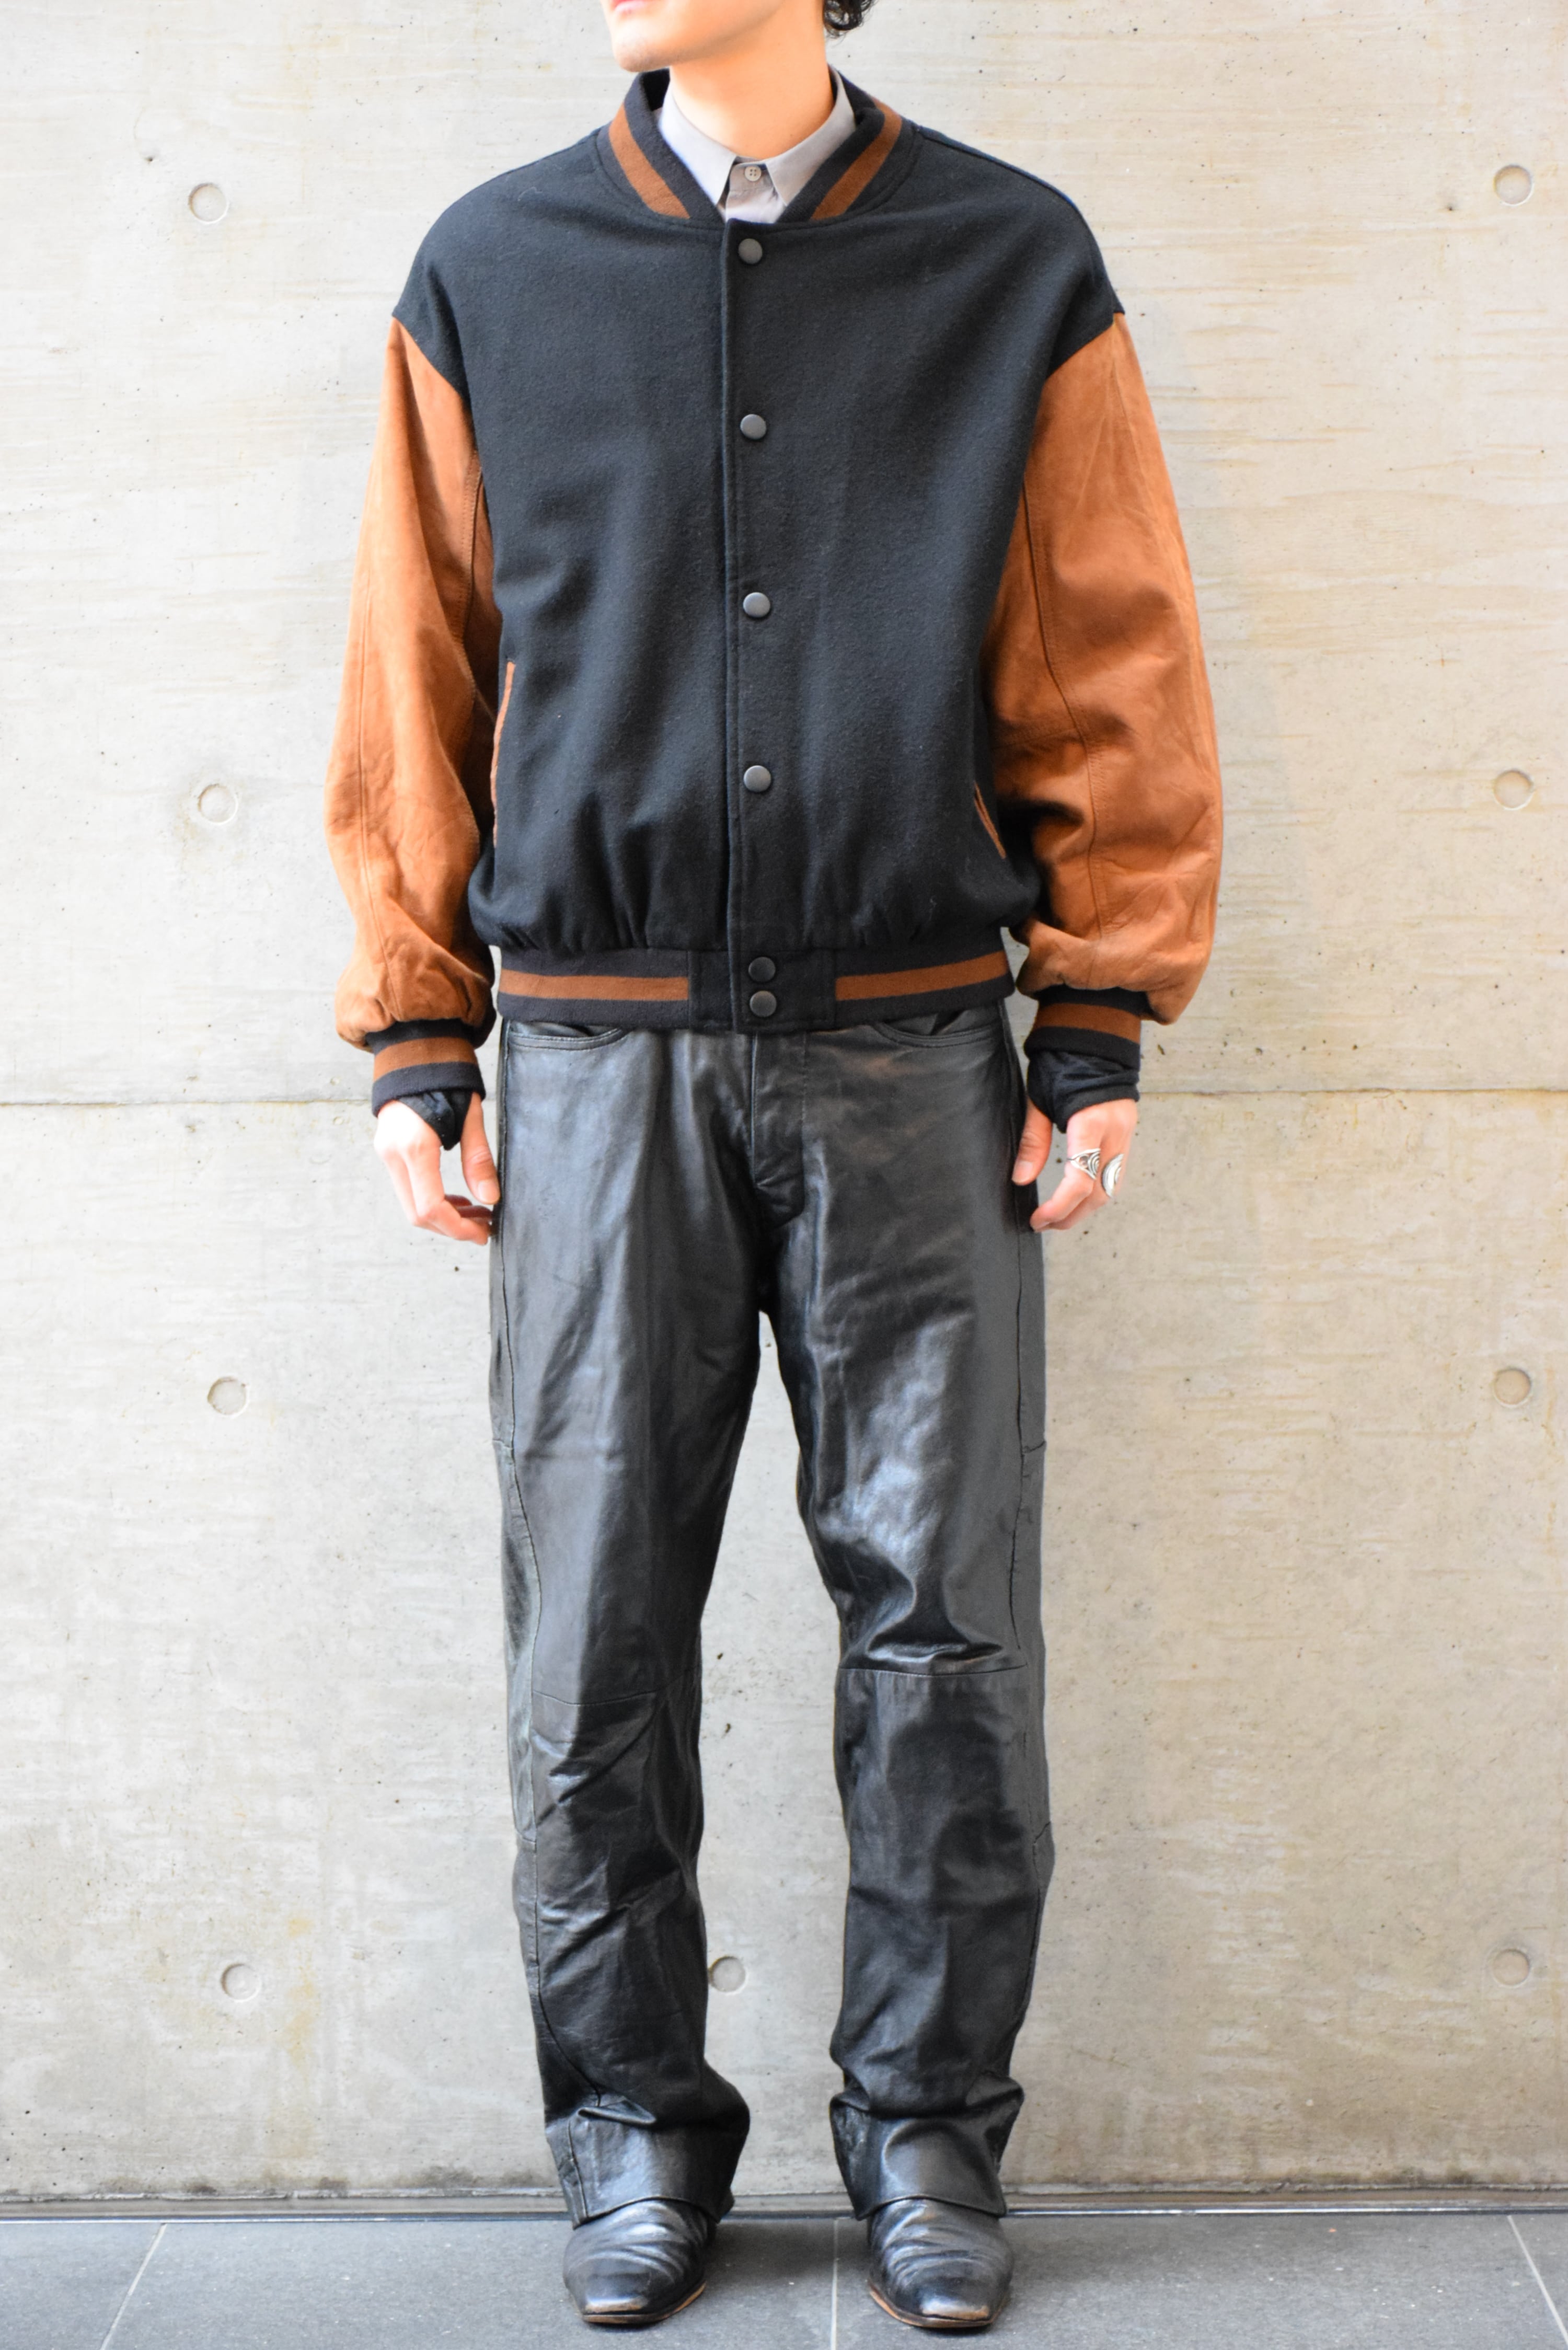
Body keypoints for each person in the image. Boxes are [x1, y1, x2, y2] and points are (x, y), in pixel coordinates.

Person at [324, 0, 1220, 2326]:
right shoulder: (492, 269)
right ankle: (628, 2127)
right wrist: (418, 1029)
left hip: (914, 1057)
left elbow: (1108, 645)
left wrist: (1098, 1006)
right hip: (592, 1068)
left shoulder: (1008, 261)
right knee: (593, 1630)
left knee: (947, 1635)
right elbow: (417, 662)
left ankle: (926, 2131)